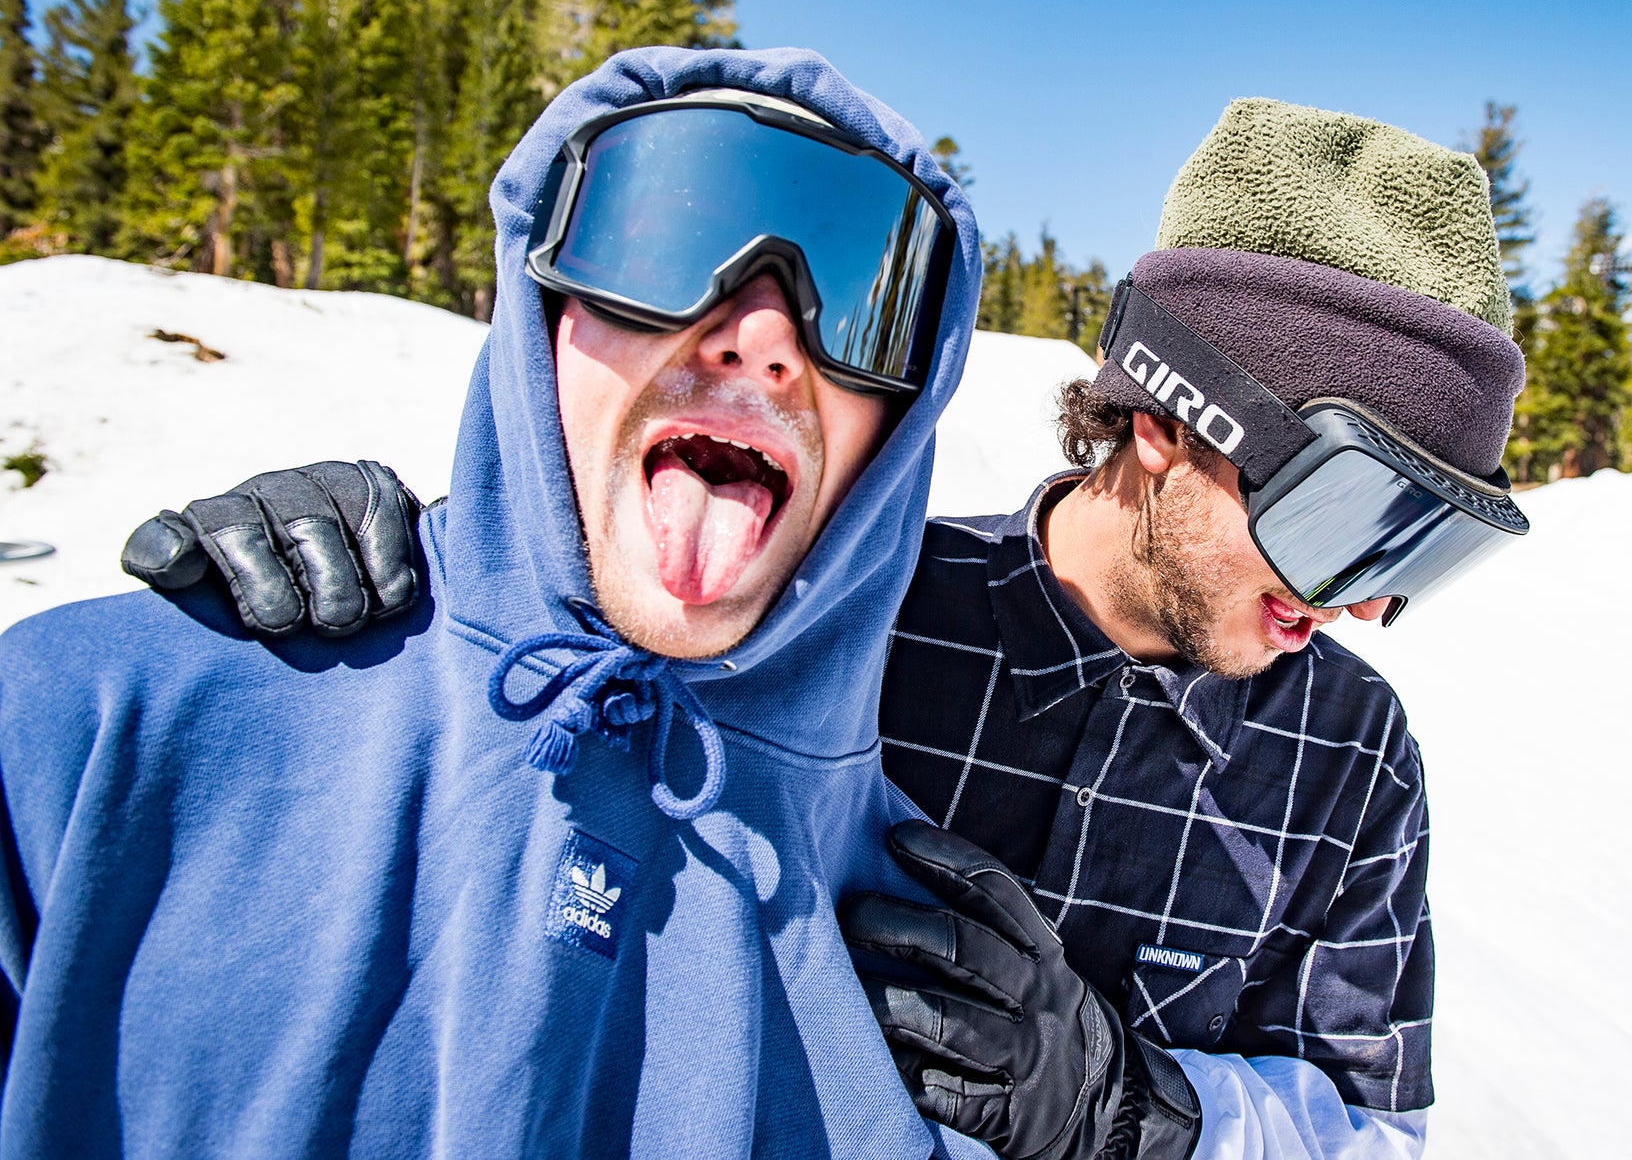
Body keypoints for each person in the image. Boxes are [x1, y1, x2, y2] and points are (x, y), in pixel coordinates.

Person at [132, 99, 1530, 1159]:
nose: (1365, 605)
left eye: (1430, 549)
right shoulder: (845, 609)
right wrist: (405, 581)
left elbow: (1367, 1126)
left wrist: (1125, 1106)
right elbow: (562, 651)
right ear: (1168, 415)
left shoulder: (1351, 757)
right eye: (1354, 517)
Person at [0, 45, 1227, 1158]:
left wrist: (1119, 1119)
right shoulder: (100, 727)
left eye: (861, 298)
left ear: (899, 422)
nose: (757, 334)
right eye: (653, 249)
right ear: (541, 300)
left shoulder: (935, 980)